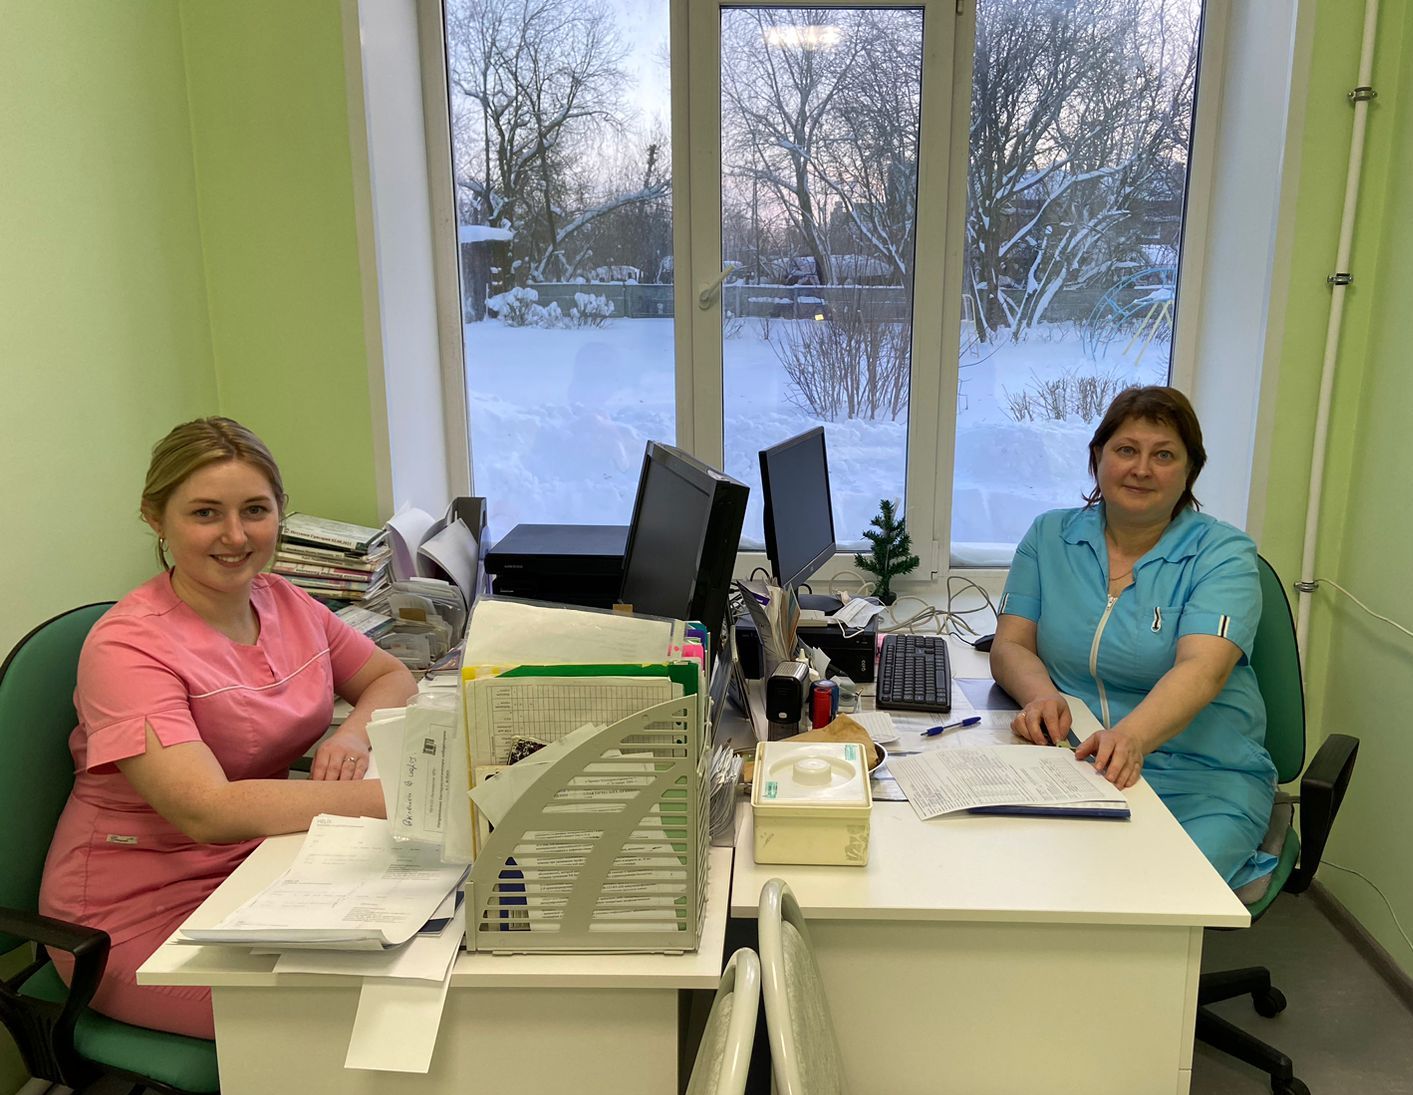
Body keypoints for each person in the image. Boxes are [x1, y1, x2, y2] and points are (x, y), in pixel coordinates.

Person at [38, 417, 418, 1040]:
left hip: (259, 863)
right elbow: (206, 810)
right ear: (155, 518)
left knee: (421, 955)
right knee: (364, 1019)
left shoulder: (283, 599)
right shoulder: (127, 647)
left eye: (255, 510)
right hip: (134, 915)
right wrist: (402, 800)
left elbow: (390, 676)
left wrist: (351, 735)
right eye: (205, 513)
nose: (236, 536)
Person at [990, 386, 1277, 890]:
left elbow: (1202, 669)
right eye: (1126, 450)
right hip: (1078, 765)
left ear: (1189, 470)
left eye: (1163, 455)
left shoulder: (1223, 554)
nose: (1141, 469)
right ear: (1098, 457)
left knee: (1151, 893)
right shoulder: (1049, 537)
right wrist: (1042, 697)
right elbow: (1012, 644)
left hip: (1202, 778)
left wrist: (1131, 738)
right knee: (1024, 879)